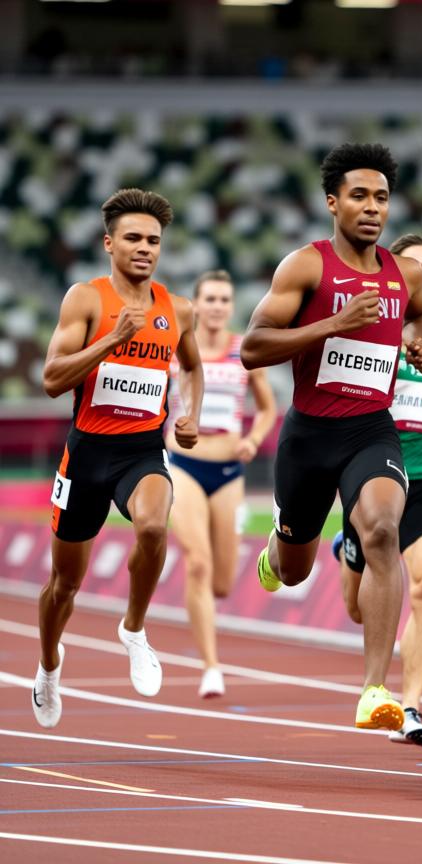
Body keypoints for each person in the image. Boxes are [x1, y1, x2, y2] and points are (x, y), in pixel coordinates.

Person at [240, 143, 422, 734]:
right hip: (309, 436)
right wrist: (331, 325)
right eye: (359, 196)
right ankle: (280, 545)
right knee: (294, 571)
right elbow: (252, 347)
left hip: (371, 430)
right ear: (333, 202)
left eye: (381, 198)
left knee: (381, 529)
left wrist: (420, 341)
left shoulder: (406, 274)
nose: (372, 208)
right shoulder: (306, 266)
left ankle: (375, 690)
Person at [34, 188, 203, 728]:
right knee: (65, 585)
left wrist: (190, 414)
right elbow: (53, 380)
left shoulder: (179, 310)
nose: (145, 248)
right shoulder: (85, 299)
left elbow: (193, 368)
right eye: (133, 238)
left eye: (154, 240)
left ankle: (133, 628)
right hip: (86, 454)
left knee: (154, 526)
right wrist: (111, 340)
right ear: (109, 243)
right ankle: (49, 665)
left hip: (140, 451)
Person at [331, 233, 422, 747]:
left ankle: (410, 706)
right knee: (358, 607)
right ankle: (345, 552)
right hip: (376, 475)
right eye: (418, 267)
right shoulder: (377, 328)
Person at [167, 270, 277, 698]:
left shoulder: (242, 351)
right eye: (209, 298)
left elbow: (268, 409)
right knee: (197, 561)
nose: (216, 306)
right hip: (184, 465)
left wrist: (252, 439)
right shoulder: (177, 352)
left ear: (231, 307)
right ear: (195, 305)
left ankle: (210, 601)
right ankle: (211, 666)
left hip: (229, 470)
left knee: (222, 583)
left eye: (223, 300)